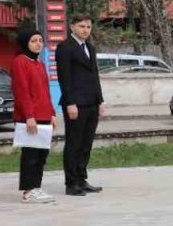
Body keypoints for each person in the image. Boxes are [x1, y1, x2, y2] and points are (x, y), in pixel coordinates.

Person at [55, 15, 105, 196]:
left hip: (91, 102)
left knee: (86, 144)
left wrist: (100, 100)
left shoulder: (89, 47)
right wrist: (70, 103)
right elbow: (64, 78)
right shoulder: (64, 47)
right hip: (75, 104)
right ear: (72, 27)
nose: (85, 30)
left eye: (88, 27)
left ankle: (82, 179)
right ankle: (71, 183)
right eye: (82, 26)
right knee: (74, 143)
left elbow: (95, 76)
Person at [11, 29, 57, 203]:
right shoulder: (20, 62)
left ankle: (36, 187)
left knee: (41, 155)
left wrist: (51, 113)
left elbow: (45, 92)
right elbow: (22, 92)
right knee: (30, 155)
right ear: (25, 43)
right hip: (30, 118)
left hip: (44, 115)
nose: (38, 44)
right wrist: (29, 116)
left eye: (40, 40)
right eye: (33, 41)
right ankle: (28, 191)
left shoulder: (39, 64)